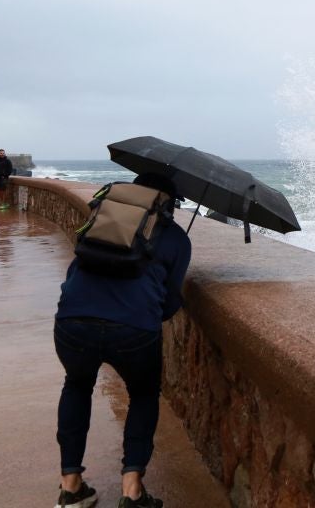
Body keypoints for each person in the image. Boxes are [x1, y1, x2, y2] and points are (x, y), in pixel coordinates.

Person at [53, 172, 192, 508]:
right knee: (143, 395)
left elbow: (75, 272)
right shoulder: (175, 238)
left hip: (72, 322)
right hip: (133, 330)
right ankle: (132, 491)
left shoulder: (101, 221)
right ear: (168, 203)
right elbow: (170, 302)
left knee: (76, 386)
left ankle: (71, 488)